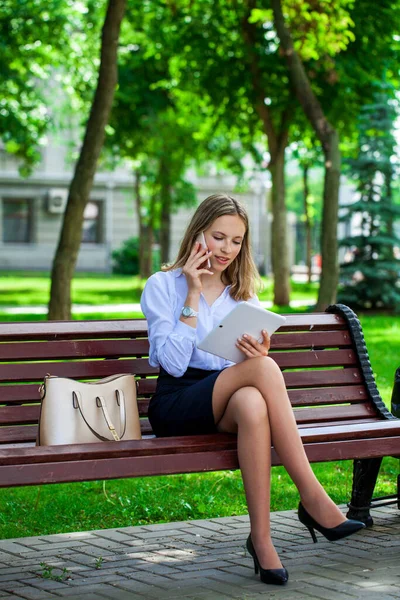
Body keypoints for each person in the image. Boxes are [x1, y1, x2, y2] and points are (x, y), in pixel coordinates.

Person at [140, 193, 365, 586]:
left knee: (252, 402)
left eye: (237, 240)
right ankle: (312, 497)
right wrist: (192, 294)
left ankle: (262, 541)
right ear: (198, 234)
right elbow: (173, 365)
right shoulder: (164, 285)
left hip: (226, 395)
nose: (227, 249)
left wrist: (252, 355)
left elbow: (239, 370)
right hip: (176, 402)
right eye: (219, 237)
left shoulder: (241, 292)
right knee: (262, 371)